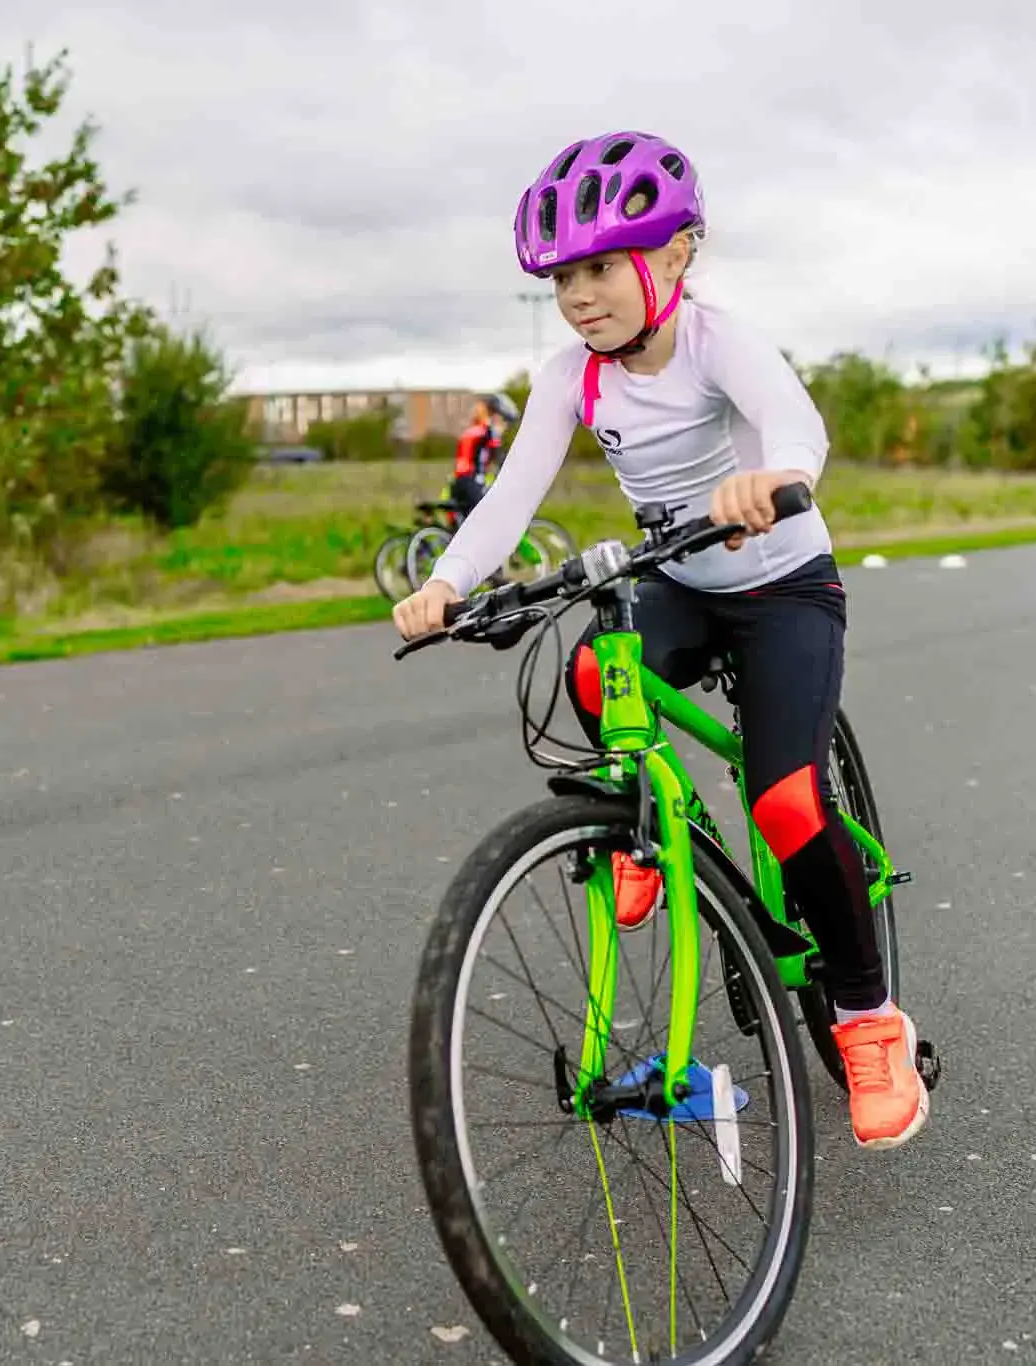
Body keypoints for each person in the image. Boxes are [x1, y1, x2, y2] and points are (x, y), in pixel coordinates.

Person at [391, 130, 928, 1151]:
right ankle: (641, 822)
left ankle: (867, 1020)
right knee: (594, 666)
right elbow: (511, 495)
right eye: (562, 278)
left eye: (599, 267)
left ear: (674, 256)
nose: (579, 295)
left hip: (780, 588)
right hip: (677, 577)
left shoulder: (716, 340)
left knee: (781, 797)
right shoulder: (570, 377)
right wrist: (446, 583)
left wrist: (768, 480)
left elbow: (794, 426)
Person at [446, 393, 519, 524]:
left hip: (458, 483)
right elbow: (499, 458)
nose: (505, 427)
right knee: (489, 521)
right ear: (497, 417)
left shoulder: (473, 430)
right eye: (505, 422)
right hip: (472, 482)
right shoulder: (488, 432)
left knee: (465, 526)